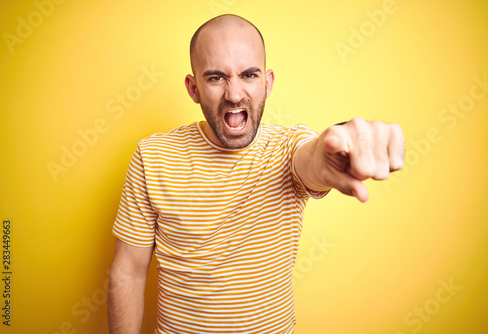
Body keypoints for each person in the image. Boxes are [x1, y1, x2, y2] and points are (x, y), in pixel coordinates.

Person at [107, 14, 405, 334]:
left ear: (268, 82)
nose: (234, 94)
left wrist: (330, 156)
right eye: (216, 77)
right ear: (193, 89)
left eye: (248, 74)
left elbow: (312, 160)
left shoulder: (287, 148)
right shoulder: (152, 155)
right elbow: (128, 273)